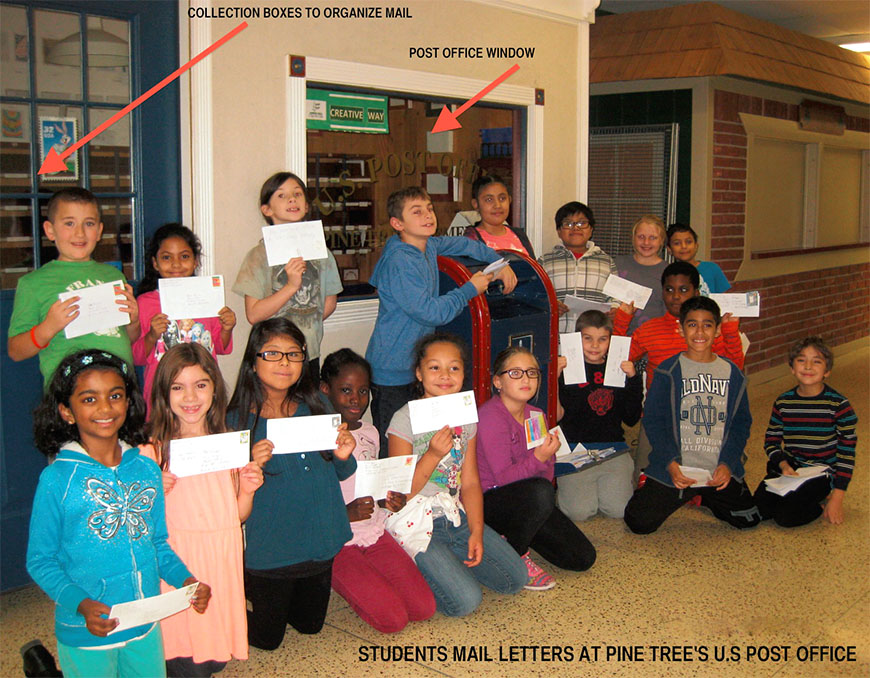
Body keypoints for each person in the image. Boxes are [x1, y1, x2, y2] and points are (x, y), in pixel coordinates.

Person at [26, 349, 210, 678]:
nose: (105, 408)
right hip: (86, 630)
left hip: (143, 625)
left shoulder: (145, 468)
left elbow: (157, 542)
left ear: (128, 402)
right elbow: (40, 560)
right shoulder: (57, 480)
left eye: (115, 395)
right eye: (89, 399)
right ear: (67, 412)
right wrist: (80, 604)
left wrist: (186, 581)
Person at [226, 318, 356, 650]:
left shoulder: (317, 405)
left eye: (294, 354)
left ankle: (252, 586)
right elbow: (227, 498)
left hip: (320, 536)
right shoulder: (236, 421)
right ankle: (232, 594)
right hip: (273, 546)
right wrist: (248, 466)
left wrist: (342, 453)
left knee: (310, 625)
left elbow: (342, 473)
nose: (285, 363)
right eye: (272, 354)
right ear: (253, 361)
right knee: (268, 639)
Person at [365, 186, 517, 453]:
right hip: (392, 372)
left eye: (429, 208)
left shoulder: (429, 244)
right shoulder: (400, 260)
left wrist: (499, 262)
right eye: (417, 211)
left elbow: (464, 243)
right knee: (397, 452)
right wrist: (471, 288)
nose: (428, 215)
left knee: (422, 445)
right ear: (397, 223)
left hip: (416, 368)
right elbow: (431, 311)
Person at [385, 333, 526, 617]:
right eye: (434, 367)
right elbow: (400, 494)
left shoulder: (464, 415)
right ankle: (409, 560)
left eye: (454, 368)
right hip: (415, 518)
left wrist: (476, 530)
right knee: (465, 602)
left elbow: (470, 481)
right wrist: (433, 455)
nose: (445, 375)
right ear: (419, 373)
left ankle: (447, 560)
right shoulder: (405, 418)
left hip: (453, 515)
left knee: (515, 579)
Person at [143, 344, 263, 676]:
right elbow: (136, 525)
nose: (190, 397)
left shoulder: (226, 445)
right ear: (163, 394)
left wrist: (249, 490)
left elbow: (235, 516)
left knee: (215, 657)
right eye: (177, 387)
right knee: (184, 657)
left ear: (214, 388)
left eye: (200, 385)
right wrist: (152, 492)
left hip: (221, 562)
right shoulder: (150, 453)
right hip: (178, 565)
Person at [319, 349, 435, 632]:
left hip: (374, 531)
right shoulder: (319, 436)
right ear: (325, 390)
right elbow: (309, 499)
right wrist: (343, 513)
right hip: (338, 541)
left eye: (363, 390)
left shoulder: (370, 431)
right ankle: (340, 577)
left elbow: (371, 480)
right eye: (345, 390)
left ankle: (371, 579)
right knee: (392, 620)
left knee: (423, 608)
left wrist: (387, 500)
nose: (356, 399)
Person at [623, 297, 761, 534]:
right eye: (692, 324)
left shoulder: (732, 373)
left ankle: (704, 496)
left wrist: (727, 464)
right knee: (638, 522)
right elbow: (654, 421)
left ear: (718, 330)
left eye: (707, 325)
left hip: (715, 469)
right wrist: (671, 464)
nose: (700, 332)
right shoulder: (667, 371)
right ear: (680, 329)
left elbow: (741, 423)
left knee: (748, 519)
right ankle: (667, 485)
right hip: (678, 468)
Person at [476, 346, 596, 590]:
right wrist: (540, 458)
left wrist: (543, 460)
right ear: (497, 381)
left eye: (532, 373)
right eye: (516, 373)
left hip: (528, 499)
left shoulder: (536, 415)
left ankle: (517, 534)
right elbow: (504, 478)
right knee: (541, 492)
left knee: (582, 558)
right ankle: (516, 553)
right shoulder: (490, 417)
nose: (526, 379)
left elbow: (546, 472)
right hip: (490, 502)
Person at [8, 188, 139, 384]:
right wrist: (48, 327)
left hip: (119, 387)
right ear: (50, 230)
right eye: (69, 223)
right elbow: (16, 351)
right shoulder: (33, 283)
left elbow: (127, 338)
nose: (79, 233)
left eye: (89, 223)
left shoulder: (114, 276)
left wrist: (133, 320)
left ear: (99, 231)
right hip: (70, 393)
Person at [233, 172, 342, 379]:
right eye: (281, 196)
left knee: (306, 407)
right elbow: (254, 314)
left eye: (298, 194)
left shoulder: (321, 252)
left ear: (307, 205)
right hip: (272, 357)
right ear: (267, 209)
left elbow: (329, 303)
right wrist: (291, 286)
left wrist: (307, 324)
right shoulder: (258, 256)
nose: (292, 199)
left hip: (308, 352)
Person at [753, 337, 858, 527]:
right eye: (801, 360)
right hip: (791, 469)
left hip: (822, 473)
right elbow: (771, 441)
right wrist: (784, 464)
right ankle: (795, 493)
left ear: (827, 371)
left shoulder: (838, 405)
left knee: (786, 517)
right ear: (792, 368)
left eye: (816, 361)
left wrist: (837, 498)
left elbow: (846, 454)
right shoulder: (783, 402)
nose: (808, 366)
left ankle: (820, 501)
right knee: (759, 511)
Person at [133, 224, 236, 412]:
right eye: (166, 257)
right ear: (155, 263)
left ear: (195, 261)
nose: (176, 264)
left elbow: (220, 347)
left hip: (202, 388)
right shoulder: (145, 302)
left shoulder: (207, 297)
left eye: (185, 256)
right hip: (161, 391)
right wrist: (152, 335)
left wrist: (227, 328)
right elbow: (137, 356)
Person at [555, 311, 643, 520]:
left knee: (619, 510)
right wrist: (554, 379)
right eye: (588, 339)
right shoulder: (565, 369)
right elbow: (555, 417)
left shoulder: (617, 369)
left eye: (602, 339)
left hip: (612, 447)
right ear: (578, 339)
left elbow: (631, 419)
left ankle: (597, 483)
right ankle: (568, 489)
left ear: (610, 341)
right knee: (579, 512)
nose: (595, 346)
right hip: (575, 449)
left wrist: (633, 380)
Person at [539, 201, 617, 333]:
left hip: (595, 338)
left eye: (582, 223)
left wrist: (615, 309)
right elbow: (536, 296)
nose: (575, 228)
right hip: (557, 336)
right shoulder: (545, 261)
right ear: (559, 231)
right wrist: (550, 305)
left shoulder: (606, 261)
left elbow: (615, 296)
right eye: (568, 223)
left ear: (591, 229)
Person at [614, 214, 667, 334]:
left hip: (653, 340)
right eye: (641, 237)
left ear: (661, 240)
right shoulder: (617, 265)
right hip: (619, 336)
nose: (646, 242)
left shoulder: (668, 272)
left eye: (653, 237)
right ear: (633, 238)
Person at [463, 174, 534, 257]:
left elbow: (534, 268)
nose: (497, 205)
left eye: (502, 198)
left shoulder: (520, 236)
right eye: (489, 200)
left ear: (509, 200)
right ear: (475, 204)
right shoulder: (471, 240)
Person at [666, 223, 730, 296]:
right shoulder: (668, 273)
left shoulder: (712, 269)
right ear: (669, 249)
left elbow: (724, 298)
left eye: (688, 242)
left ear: (696, 246)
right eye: (677, 243)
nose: (684, 246)